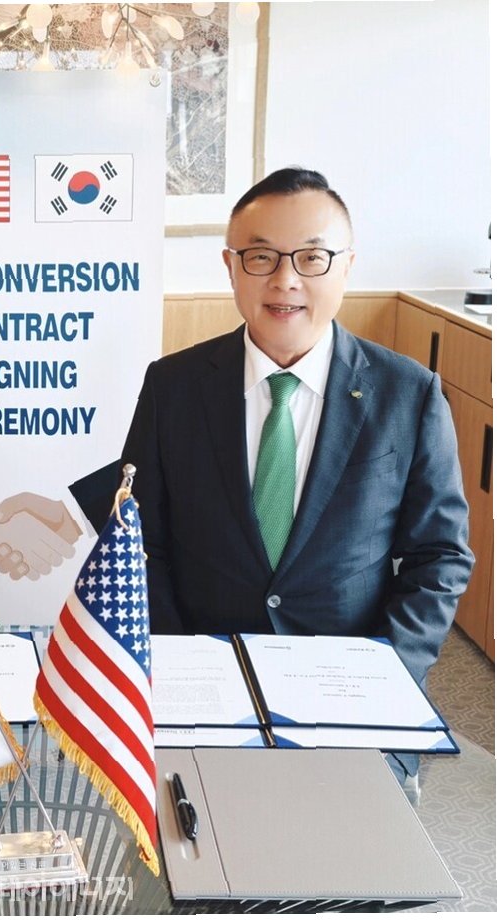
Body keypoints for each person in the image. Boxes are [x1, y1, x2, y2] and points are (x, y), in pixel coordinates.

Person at [122, 167, 473, 780]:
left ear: (346, 266)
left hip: (353, 698)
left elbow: (439, 557)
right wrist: (178, 668)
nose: (285, 280)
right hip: (204, 699)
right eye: (261, 257)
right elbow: (140, 545)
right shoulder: (172, 386)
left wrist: (385, 673)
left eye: (312, 257)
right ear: (231, 267)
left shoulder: (408, 394)